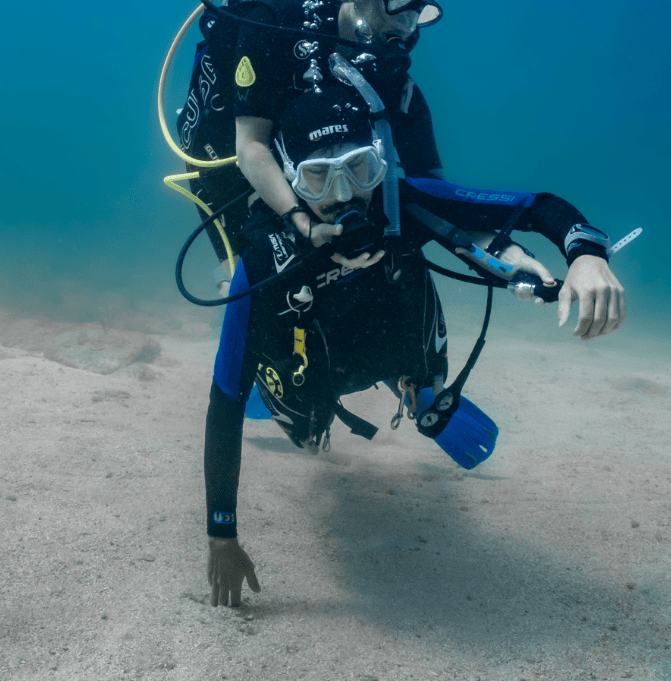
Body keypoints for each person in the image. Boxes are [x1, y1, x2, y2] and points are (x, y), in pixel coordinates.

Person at [204, 81, 627, 607]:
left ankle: (419, 388)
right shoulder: (263, 261)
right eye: (317, 178)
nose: (342, 195)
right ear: (288, 180)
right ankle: (296, 415)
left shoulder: (399, 203)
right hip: (312, 369)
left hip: (390, 342)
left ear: (380, 162)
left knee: (408, 285)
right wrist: (221, 533)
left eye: (359, 168)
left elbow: (535, 205)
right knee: (305, 435)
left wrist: (586, 255)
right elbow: (224, 401)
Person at [177, 0, 456, 291]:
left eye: (424, 11)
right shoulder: (277, 21)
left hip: (308, 175)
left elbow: (433, 187)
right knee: (255, 281)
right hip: (225, 154)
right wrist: (302, 226)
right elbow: (250, 146)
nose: (409, 26)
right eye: (404, 1)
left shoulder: (385, 66)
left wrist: (500, 245)